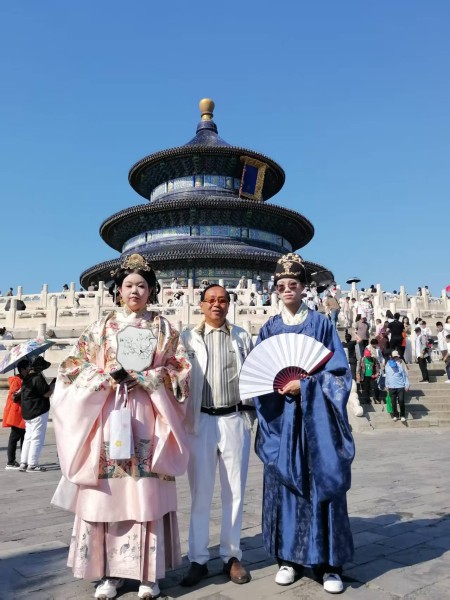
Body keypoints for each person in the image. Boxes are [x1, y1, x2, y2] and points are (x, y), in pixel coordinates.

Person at [50, 253, 191, 600]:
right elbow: (72, 366)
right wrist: (105, 378)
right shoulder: (100, 328)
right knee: (107, 493)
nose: (135, 291)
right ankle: (108, 573)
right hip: (110, 412)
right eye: (129, 285)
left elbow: (181, 370)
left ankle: (148, 574)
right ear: (118, 290)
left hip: (149, 415)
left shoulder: (164, 328)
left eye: (142, 285)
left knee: (145, 490)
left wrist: (153, 377)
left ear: (151, 290)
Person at [252, 253, 354, 594]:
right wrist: (280, 389)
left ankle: (328, 563)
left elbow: (339, 374)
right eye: (281, 285)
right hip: (282, 419)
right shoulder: (269, 328)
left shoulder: (321, 324)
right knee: (285, 484)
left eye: (293, 284)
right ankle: (288, 558)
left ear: (303, 287)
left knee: (319, 482)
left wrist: (306, 384)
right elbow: (260, 377)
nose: (287, 290)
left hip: (316, 420)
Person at [180, 284, 254, 587]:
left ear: (229, 305)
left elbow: (255, 374)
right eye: (211, 300)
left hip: (234, 417)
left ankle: (231, 555)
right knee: (200, 492)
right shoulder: (187, 338)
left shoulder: (241, 336)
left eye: (222, 300)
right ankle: (198, 558)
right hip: (201, 420)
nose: (216, 305)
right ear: (201, 305)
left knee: (234, 491)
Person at [19, 356, 54, 472]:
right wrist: (52, 386)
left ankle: (24, 462)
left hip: (27, 412)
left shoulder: (27, 378)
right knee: (37, 438)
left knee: (28, 437)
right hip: (38, 411)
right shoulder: (37, 378)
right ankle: (32, 464)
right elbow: (46, 393)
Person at [3, 359, 30, 469]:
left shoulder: (24, 379)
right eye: (28, 367)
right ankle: (10, 461)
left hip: (22, 412)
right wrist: (23, 389)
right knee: (14, 437)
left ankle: (24, 460)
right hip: (16, 413)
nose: (30, 369)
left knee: (24, 437)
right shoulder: (16, 380)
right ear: (22, 370)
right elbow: (13, 396)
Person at [385, 350, 410, 422]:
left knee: (401, 400)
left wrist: (407, 385)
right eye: (394, 357)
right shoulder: (388, 365)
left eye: (396, 357)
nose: (395, 358)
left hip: (400, 386)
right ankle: (395, 415)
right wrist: (387, 385)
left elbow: (404, 375)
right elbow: (387, 376)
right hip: (391, 386)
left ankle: (402, 415)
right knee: (393, 402)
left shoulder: (400, 364)